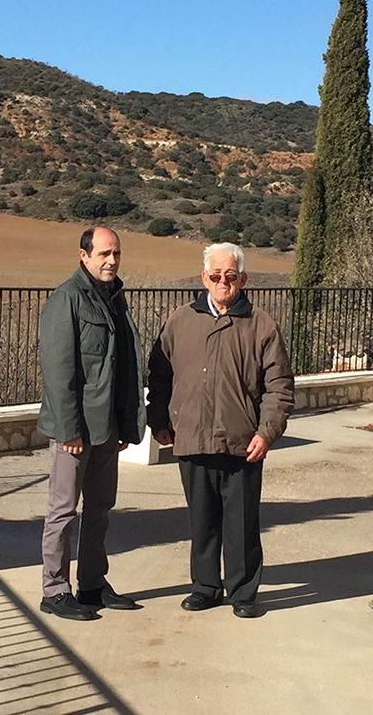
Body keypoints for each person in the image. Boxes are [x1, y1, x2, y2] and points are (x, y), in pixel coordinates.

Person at [147, 243, 294, 618]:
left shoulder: (261, 324)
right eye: (215, 275)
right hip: (192, 438)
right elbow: (160, 376)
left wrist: (267, 431)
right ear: (203, 278)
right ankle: (206, 586)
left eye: (230, 275)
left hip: (243, 442)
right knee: (202, 521)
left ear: (242, 279)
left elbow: (280, 386)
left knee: (242, 523)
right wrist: (159, 420)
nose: (222, 281)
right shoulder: (179, 320)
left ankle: (243, 592)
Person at [38, 226, 146, 620]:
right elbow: (58, 370)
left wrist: (125, 424)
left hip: (108, 427)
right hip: (76, 431)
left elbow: (121, 367)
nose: (111, 260)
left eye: (116, 253)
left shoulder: (115, 298)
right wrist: (68, 430)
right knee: (63, 511)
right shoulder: (66, 299)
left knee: (100, 508)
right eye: (103, 254)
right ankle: (54, 590)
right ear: (83, 256)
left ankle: (92, 586)